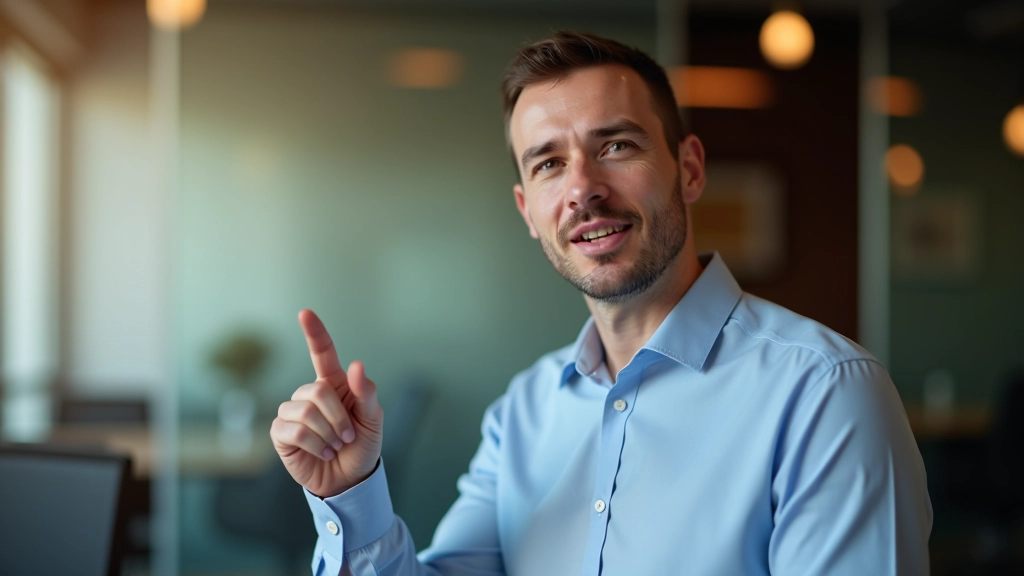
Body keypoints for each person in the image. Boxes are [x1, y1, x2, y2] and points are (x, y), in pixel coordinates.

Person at [270, 31, 932, 576]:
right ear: (529, 210)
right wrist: (350, 496)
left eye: (616, 146)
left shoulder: (825, 393)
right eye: (549, 164)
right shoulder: (523, 412)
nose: (582, 189)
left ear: (691, 169)